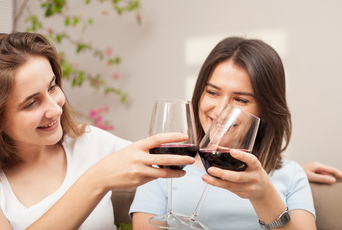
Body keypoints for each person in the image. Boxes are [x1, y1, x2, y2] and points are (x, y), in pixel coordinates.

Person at [0, 32, 196, 230]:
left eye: (52, 87)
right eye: (32, 103)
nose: (56, 109)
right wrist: (96, 180)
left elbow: (181, 171)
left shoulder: (89, 142)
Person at [130, 37, 318, 229]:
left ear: (266, 111)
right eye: (212, 92)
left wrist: (264, 197)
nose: (220, 110)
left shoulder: (292, 175)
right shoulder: (161, 168)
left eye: (241, 100)